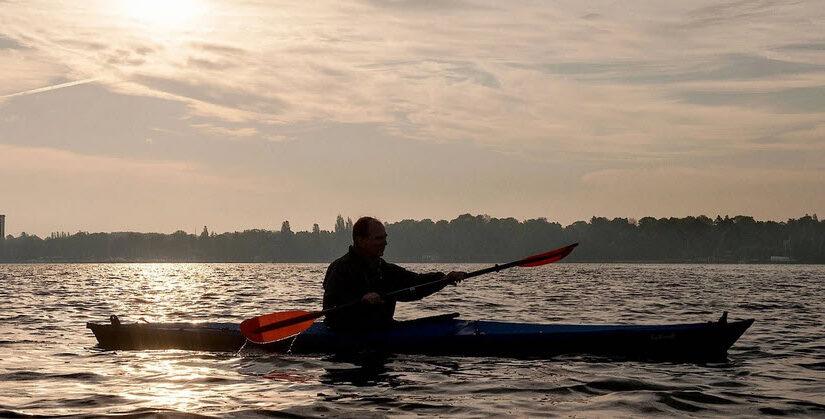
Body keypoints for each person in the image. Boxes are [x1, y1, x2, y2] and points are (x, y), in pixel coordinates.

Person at [322, 216, 466, 331]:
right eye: (379, 238)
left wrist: (444, 279)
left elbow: (415, 283)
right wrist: (361, 300)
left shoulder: (385, 269)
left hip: (382, 331)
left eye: (385, 238)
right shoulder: (340, 268)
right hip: (347, 336)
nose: (385, 243)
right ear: (360, 240)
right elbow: (331, 310)